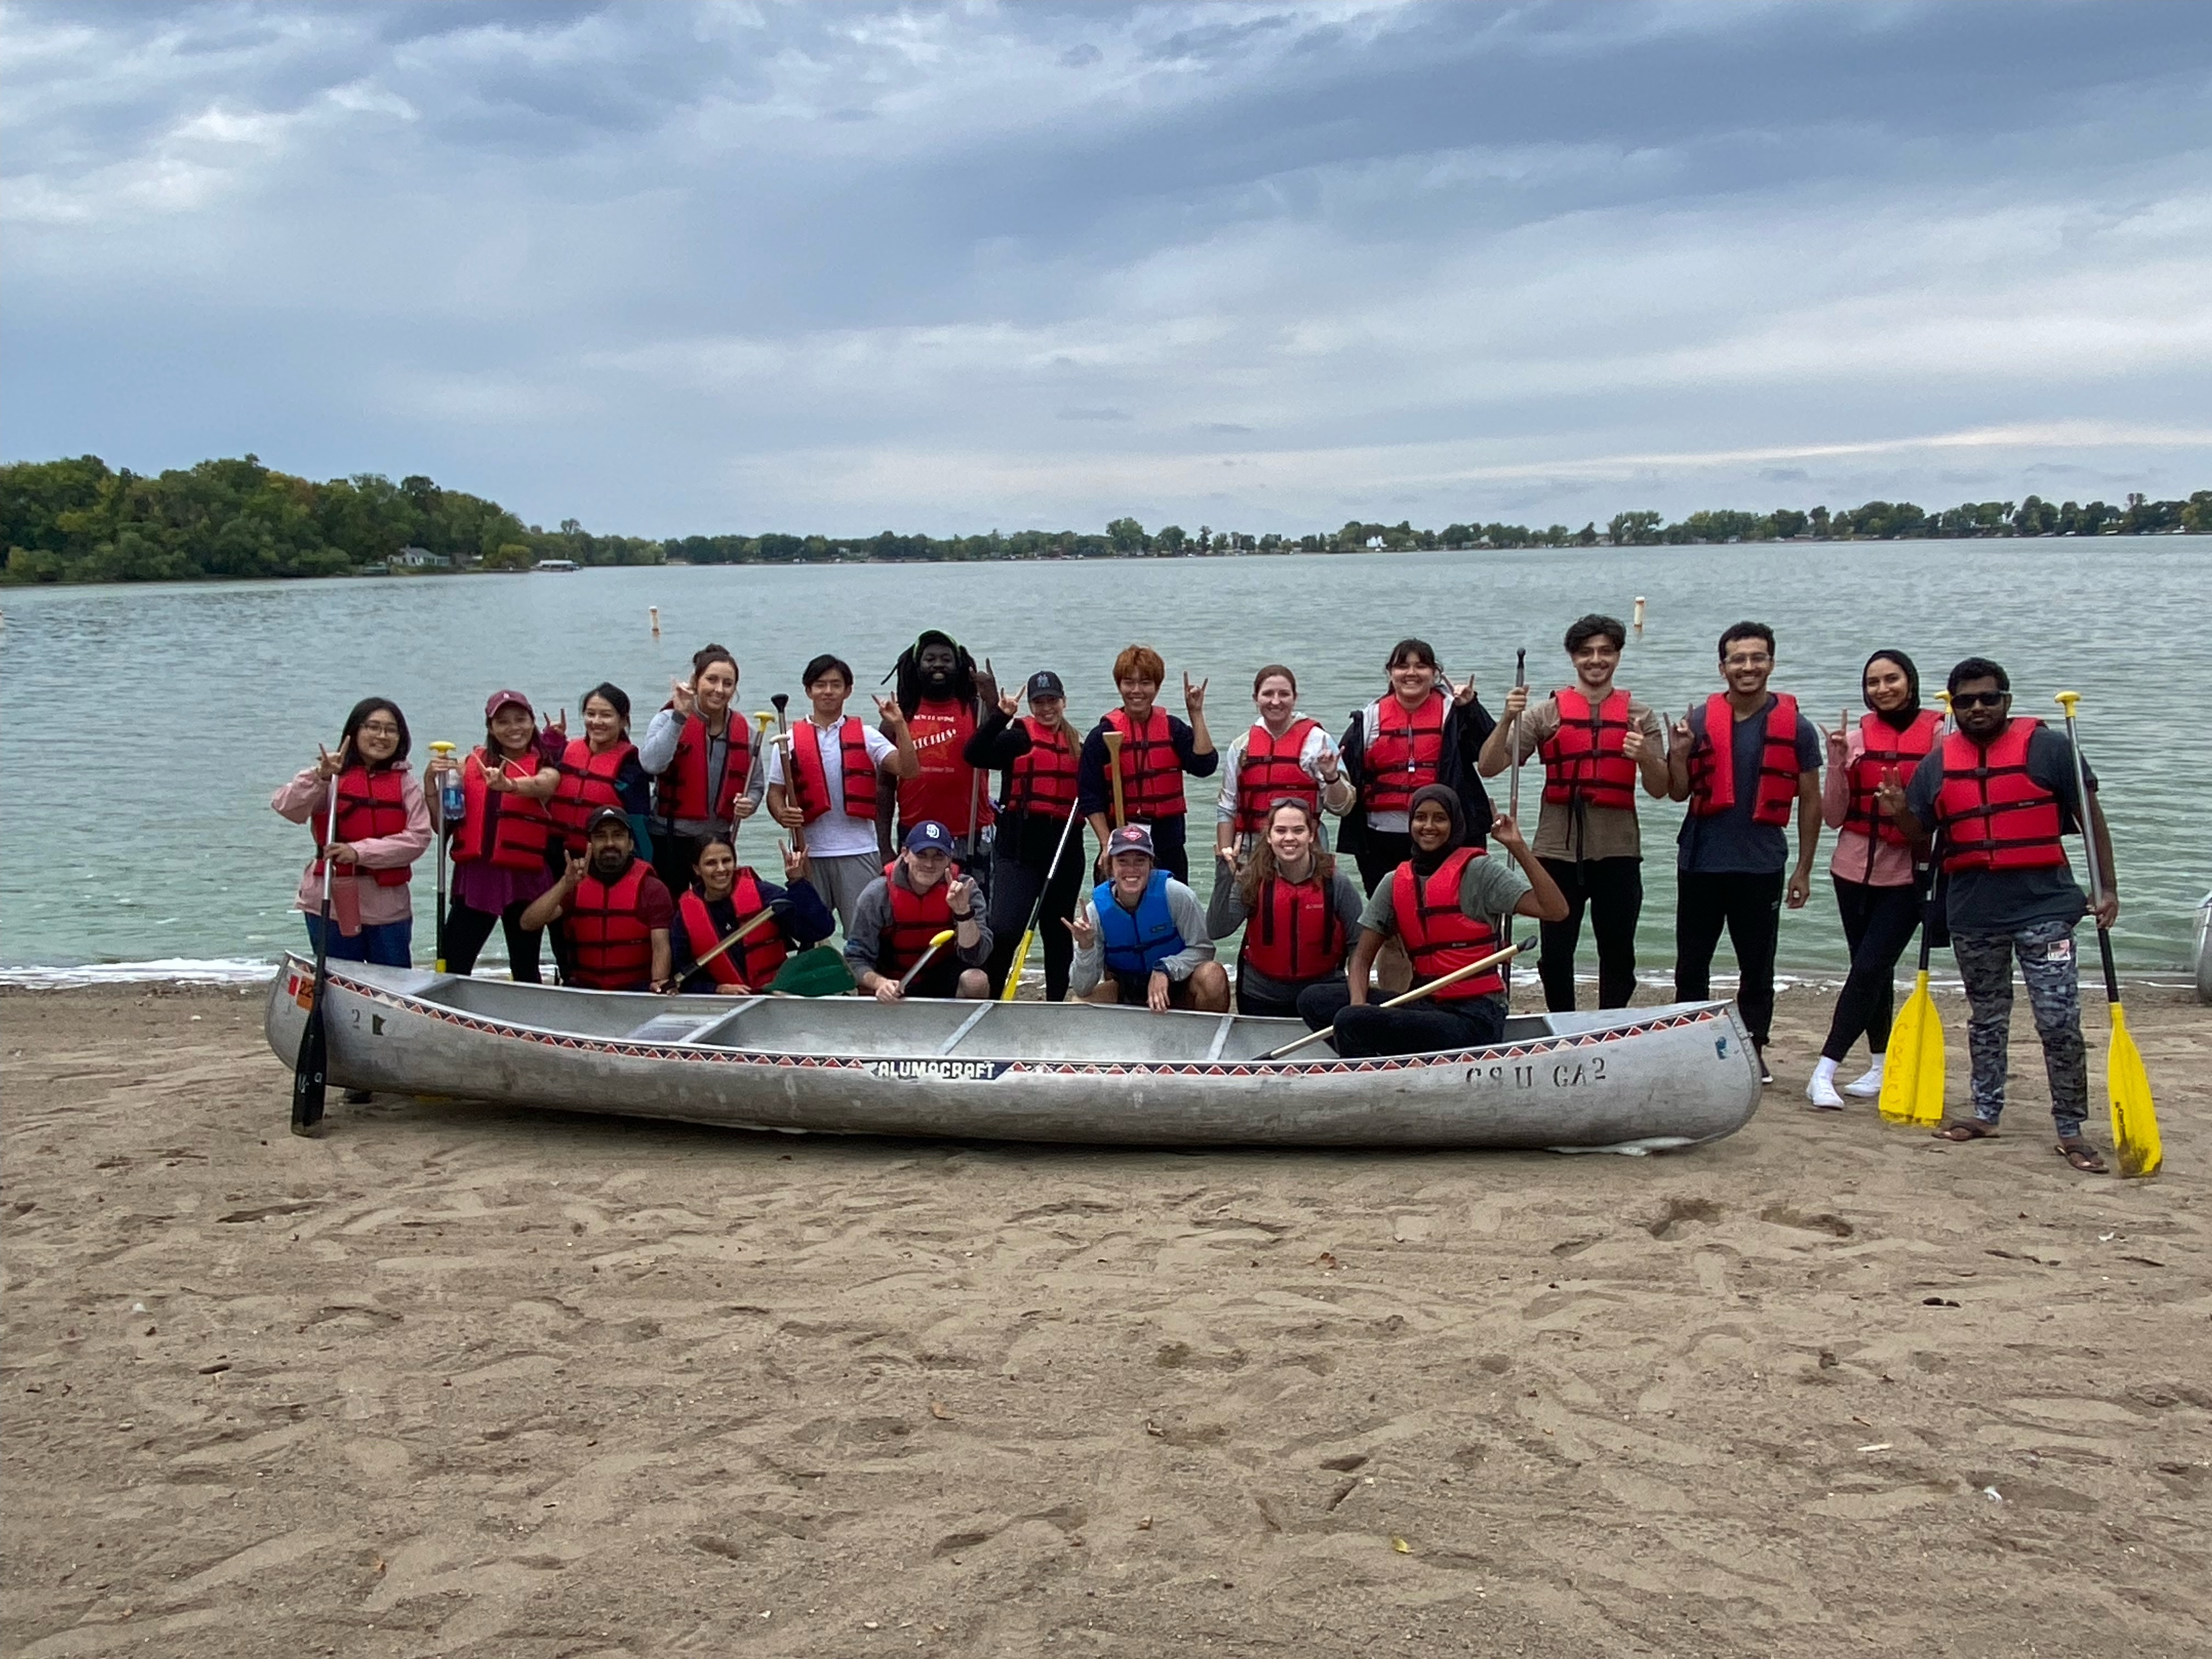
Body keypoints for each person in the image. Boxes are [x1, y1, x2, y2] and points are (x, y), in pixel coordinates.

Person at [1883, 657, 2118, 1173]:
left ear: (2006, 701)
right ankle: (1986, 1112)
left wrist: (2108, 889)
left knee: (2059, 1022)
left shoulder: (2050, 748)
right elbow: (1920, 836)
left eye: (1989, 698)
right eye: (1966, 701)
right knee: (1987, 1020)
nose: (1978, 708)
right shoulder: (1939, 763)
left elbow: (2090, 816)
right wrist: (1899, 809)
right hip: (1974, 914)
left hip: (2047, 907)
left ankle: (2071, 1126)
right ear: (1954, 705)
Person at [1479, 614, 1669, 1012]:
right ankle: (1563, 1022)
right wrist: (1508, 718)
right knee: (1556, 951)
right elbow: (1490, 765)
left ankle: (1609, 1024)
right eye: (1586, 653)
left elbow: (1660, 788)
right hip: (1556, 849)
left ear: (1617, 656)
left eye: (1605, 652)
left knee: (1618, 951)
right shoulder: (1544, 714)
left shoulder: (1640, 716)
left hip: (1618, 850)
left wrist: (1646, 757)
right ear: (1573, 658)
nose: (1596, 660)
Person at [1666, 621, 1823, 1084]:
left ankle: (1754, 1048)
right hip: (1700, 862)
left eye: (1757, 658)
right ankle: (1689, 1047)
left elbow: (1811, 799)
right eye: (1738, 659)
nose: (1748, 667)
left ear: (1771, 663)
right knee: (1691, 965)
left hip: (1760, 866)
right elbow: (1677, 793)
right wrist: (1677, 754)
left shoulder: (1797, 728)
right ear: (1723, 667)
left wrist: (1804, 869)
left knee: (1758, 968)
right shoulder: (1697, 722)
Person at [1333, 787, 1567, 1057]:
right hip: (1424, 1006)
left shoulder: (1480, 872)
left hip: (1475, 1016)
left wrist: (1517, 847)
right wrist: (1359, 1005)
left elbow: (1555, 910)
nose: (1429, 826)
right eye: (1420, 818)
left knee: (1350, 1022)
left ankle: (1374, 1062)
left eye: (1440, 818)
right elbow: (1361, 959)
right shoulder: (1395, 881)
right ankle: (1378, 1055)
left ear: (1455, 823)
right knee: (1318, 1001)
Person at [1807, 650, 1944, 1108]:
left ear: (1911, 681)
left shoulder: (1942, 734)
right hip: (1851, 870)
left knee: (1868, 968)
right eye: (1873, 682)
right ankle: (1882, 1065)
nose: (1883, 689)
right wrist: (1837, 764)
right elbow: (1832, 817)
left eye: (1892, 679)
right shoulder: (1856, 737)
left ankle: (1825, 1068)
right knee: (1873, 974)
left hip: (1908, 874)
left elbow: (1947, 807)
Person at [270, 696, 431, 969]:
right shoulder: (331, 777)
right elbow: (287, 807)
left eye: (391, 730)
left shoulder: (407, 784)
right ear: (355, 731)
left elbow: (418, 838)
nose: (382, 736)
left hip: (387, 905)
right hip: (329, 898)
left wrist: (358, 852)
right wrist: (319, 776)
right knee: (336, 980)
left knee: (393, 983)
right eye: (373, 727)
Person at [765, 654, 921, 935]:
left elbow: (908, 770)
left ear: (848, 690)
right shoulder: (786, 741)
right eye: (820, 685)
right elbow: (775, 793)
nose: (828, 691)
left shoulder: (867, 735)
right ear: (808, 690)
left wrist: (900, 725)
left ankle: (865, 980)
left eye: (836, 685)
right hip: (809, 853)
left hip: (858, 851)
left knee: (863, 934)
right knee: (812, 935)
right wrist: (782, 814)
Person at [1338, 639, 1496, 894]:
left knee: (1448, 907)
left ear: (1435, 673)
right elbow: (1344, 776)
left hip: (1446, 834)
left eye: (1421, 666)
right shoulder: (1368, 719)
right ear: (1391, 673)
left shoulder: (1455, 712)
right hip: (1382, 837)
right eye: (1403, 666)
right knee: (1390, 915)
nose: (1411, 673)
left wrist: (1471, 707)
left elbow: (1491, 753)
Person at [427, 689, 561, 982]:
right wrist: (430, 782)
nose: (514, 728)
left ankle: (526, 1021)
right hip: (477, 877)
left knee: (525, 967)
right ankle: (449, 1018)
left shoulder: (545, 766)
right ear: (490, 727)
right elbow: (443, 826)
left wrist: (509, 785)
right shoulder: (468, 766)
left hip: (524, 879)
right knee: (454, 963)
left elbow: (544, 786)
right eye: (503, 722)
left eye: (520, 719)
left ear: (532, 721)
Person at [972, 670, 1086, 999]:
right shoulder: (1017, 738)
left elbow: (1097, 796)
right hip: (1018, 848)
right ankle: (991, 997)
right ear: (1032, 705)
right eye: (1039, 702)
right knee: (1006, 930)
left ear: (1064, 701)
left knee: (1057, 933)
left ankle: (1055, 1004)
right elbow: (975, 754)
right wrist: (1000, 717)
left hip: (1065, 848)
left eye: (1053, 700)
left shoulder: (1080, 744)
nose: (1047, 708)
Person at [1206, 797, 1365, 1025]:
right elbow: (1217, 929)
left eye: (1298, 830)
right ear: (1269, 837)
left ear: (1311, 835)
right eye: (1281, 831)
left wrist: (1357, 1001)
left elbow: (1358, 945)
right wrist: (1224, 876)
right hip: (1261, 996)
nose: (1289, 838)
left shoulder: (1337, 883)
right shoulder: (1252, 878)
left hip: (1322, 995)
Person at [1075, 646, 1217, 883]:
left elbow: (1205, 765)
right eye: (1129, 683)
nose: (1137, 691)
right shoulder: (1102, 736)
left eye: (1146, 683)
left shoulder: (1174, 729)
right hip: (1120, 844)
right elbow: (1090, 797)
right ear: (1119, 686)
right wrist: (1105, 843)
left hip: (1167, 844)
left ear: (1157, 687)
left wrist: (1196, 713)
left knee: (1170, 912)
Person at [1067, 824, 1231, 1012]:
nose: (1132, 870)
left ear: (1151, 865)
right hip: (1128, 989)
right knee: (1079, 1003)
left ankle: (1207, 1037)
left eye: (1140, 861)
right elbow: (1082, 988)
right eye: (1122, 861)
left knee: (1213, 975)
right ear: (1110, 867)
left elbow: (1204, 950)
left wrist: (1166, 968)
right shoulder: (1095, 912)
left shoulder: (1177, 895)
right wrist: (1085, 947)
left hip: (1179, 984)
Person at [640, 644, 761, 897]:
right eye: (712, 680)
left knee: (712, 915)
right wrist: (680, 719)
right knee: (670, 911)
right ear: (696, 681)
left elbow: (756, 785)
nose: (719, 689)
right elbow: (651, 764)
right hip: (668, 837)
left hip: (717, 840)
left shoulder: (747, 732)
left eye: (728, 683)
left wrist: (750, 804)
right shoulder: (667, 719)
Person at [519, 808, 674, 991]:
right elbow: (528, 923)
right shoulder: (574, 883)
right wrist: (564, 884)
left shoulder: (653, 888)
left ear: (631, 844)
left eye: (618, 836)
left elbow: (661, 947)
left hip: (635, 990)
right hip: (583, 989)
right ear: (590, 844)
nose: (610, 843)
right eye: (601, 836)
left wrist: (657, 987)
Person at [1214, 664, 1355, 864]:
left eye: (1284, 694)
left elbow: (1343, 808)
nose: (1276, 701)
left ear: (1295, 698)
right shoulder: (1241, 746)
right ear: (1256, 699)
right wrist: (1225, 855)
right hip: (1252, 851)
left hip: (1306, 850)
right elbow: (1227, 807)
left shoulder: (1319, 742)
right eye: (1268, 694)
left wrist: (1332, 777)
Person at [665, 834, 835, 994]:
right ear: (697, 869)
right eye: (711, 863)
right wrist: (716, 989)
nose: (721, 869)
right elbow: (682, 977)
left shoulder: (767, 896)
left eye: (727, 861)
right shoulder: (684, 916)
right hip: (724, 1003)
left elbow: (819, 930)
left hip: (774, 995)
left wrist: (797, 882)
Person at [845, 821, 992, 1000]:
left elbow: (977, 957)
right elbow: (855, 959)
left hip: (942, 978)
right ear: (905, 854)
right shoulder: (876, 895)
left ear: (949, 859)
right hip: (893, 984)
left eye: (939, 856)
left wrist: (963, 913)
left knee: (976, 980)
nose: (929, 864)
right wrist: (879, 983)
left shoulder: (966, 889)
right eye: (921, 855)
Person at [885, 630, 995, 857]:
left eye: (946, 660)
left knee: (974, 894)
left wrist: (992, 701)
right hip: (915, 833)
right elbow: (883, 786)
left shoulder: (976, 709)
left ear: (959, 666)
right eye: (930, 659)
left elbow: (997, 747)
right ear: (917, 666)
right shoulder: (899, 715)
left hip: (971, 831)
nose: (938, 665)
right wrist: (884, 846)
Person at [545, 683, 653, 860]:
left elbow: (639, 828)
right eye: (590, 714)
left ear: (624, 720)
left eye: (606, 715)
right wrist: (550, 740)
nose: (596, 722)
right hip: (554, 857)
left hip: (603, 861)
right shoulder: (563, 753)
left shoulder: (630, 768)